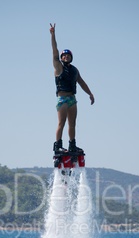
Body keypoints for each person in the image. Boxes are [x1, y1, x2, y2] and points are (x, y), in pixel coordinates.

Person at [50, 23, 95, 154]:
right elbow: (55, 51)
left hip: (72, 99)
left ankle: (72, 145)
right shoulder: (58, 67)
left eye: (68, 55)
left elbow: (82, 83)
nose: (66, 57)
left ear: (71, 57)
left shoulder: (75, 70)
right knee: (61, 123)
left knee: (72, 124)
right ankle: (58, 145)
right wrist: (53, 35)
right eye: (64, 55)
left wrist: (90, 94)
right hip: (62, 99)